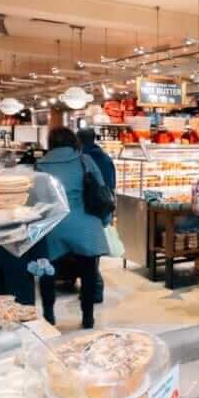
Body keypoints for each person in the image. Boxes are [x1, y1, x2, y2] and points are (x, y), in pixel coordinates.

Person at [34, 127, 110, 329]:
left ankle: (49, 316)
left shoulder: (40, 166)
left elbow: (35, 200)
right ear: (73, 141)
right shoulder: (85, 161)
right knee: (88, 274)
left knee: (47, 272)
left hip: (53, 227)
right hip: (85, 225)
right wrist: (103, 222)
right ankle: (87, 317)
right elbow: (102, 191)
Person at [78, 127, 116, 303]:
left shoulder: (80, 159)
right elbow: (112, 185)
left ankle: (94, 289)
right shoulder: (105, 157)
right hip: (101, 207)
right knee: (93, 255)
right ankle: (94, 289)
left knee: (85, 254)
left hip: (85, 207)